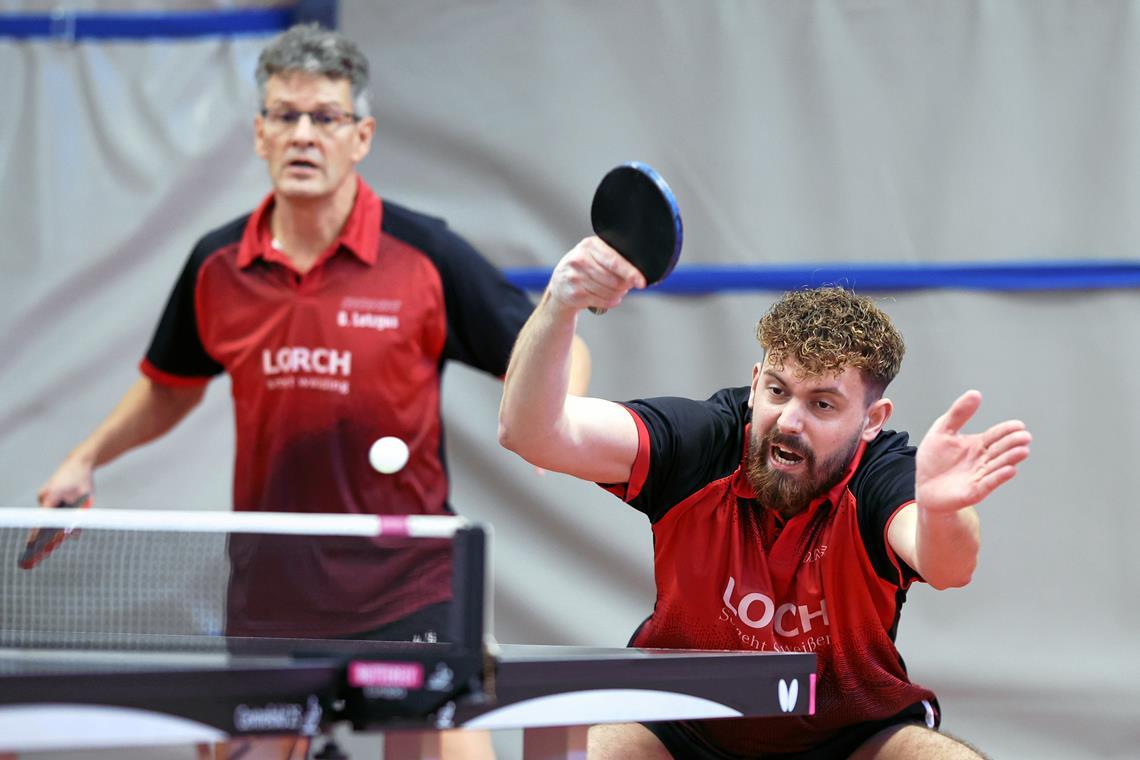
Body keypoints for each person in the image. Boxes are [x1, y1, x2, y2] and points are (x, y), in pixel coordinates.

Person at [38, 23, 588, 760]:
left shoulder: (424, 254)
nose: (304, 135)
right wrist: (86, 456)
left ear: (360, 136)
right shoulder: (217, 266)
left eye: (324, 117)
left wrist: (552, 428)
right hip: (271, 589)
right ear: (259, 134)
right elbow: (170, 387)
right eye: (285, 116)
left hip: (407, 582)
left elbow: (557, 347)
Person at [498, 237, 1031, 759]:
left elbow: (948, 565)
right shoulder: (701, 444)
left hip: (851, 730)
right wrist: (561, 303)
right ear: (754, 384)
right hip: (683, 721)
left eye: (822, 404)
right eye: (777, 391)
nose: (789, 421)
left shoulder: (880, 475)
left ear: (872, 421)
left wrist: (941, 508)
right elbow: (533, 432)